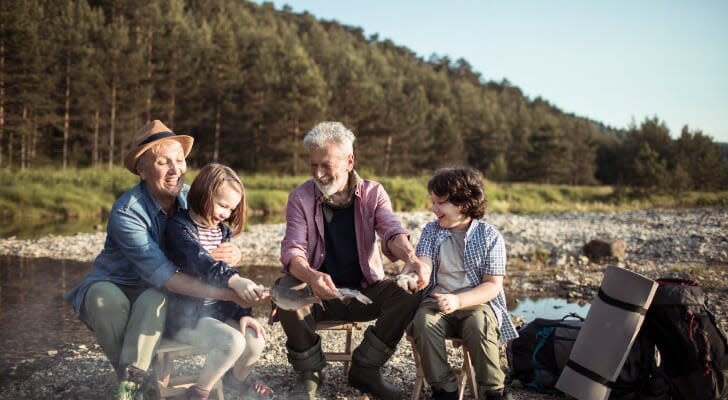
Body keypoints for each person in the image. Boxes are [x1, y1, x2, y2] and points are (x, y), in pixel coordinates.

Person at [64, 120, 252, 400]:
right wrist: (227, 292)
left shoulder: (192, 198)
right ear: (142, 169)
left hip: (159, 290)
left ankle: (137, 382)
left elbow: (215, 235)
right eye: (164, 162)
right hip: (120, 282)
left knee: (155, 298)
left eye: (180, 160)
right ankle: (129, 381)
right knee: (103, 299)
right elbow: (168, 277)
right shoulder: (128, 211)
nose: (176, 170)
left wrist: (234, 251)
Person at [275, 121, 430, 400]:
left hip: (365, 292)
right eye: (313, 166)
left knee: (409, 294)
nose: (318, 173)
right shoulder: (300, 197)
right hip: (318, 295)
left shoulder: (373, 193)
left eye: (326, 165)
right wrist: (311, 276)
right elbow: (292, 252)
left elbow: (391, 231)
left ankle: (366, 369)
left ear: (350, 161)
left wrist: (411, 258)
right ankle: (310, 374)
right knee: (284, 289)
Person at [163, 163, 272, 400]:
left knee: (254, 343)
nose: (226, 213)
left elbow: (230, 273)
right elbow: (199, 260)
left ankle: (235, 382)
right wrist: (234, 279)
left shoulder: (222, 232)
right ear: (204, 193)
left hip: (219, 312)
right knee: (232, 342)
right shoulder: (178, 227)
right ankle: (199, 393)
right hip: (188, 317)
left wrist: (245, 312)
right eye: (222, 205)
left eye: (231, 209)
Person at [410, 166, 517, 400]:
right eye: (433, 202)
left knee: (480, 325)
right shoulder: (431, 230)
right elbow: (424, 260)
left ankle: (493, 391)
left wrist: (458, 300)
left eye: (440, 203)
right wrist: (419, 275)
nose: (434, 208)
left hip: (475, 303)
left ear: (463, 203)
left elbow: (492, 285)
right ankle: (444, 389)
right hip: (436, 301)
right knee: (423, 321)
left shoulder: (489, 236)